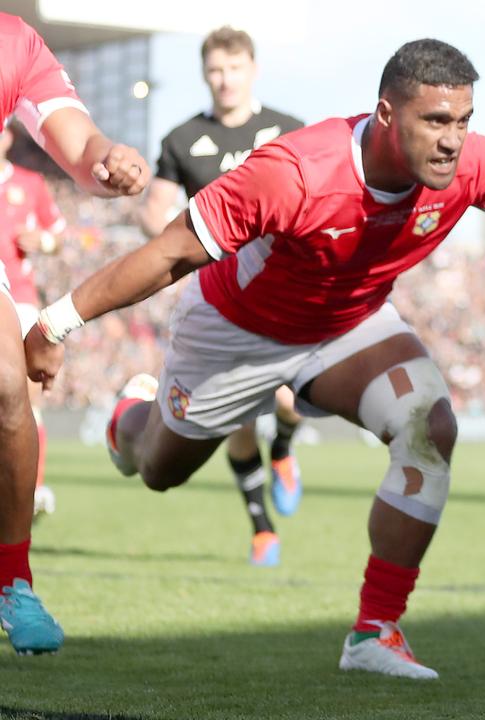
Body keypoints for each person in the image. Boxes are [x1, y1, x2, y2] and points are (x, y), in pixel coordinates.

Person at [25, 37, 485, 679]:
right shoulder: (295, 170)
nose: (452, 140)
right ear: (385, 114)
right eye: (435, 121)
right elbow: (169, 255)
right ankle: (129, 415)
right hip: (234, 331)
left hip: (349, 323)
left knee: (428, 429)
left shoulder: (471, 165)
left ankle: (375, 631)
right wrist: (57, 321)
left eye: (463, 122)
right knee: (157, 469)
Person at [0, 11, 149, 655]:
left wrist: (106, 160)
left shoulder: (14, 42)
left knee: (8, 393)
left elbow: (77, 143)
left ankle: (13, 583)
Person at [138, 26, 307, 567]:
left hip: (283, 293)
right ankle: (262, 529)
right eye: (214, 69)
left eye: (233, 68)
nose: (224, 79)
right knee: (237, 417)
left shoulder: (288, 130)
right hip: (220, 302)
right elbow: (157, 209)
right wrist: (161, 220)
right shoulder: (182, 140)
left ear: (251, 69)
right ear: (204, 73)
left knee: (289, 401)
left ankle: (282, 449)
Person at [0, 122, 65, 522]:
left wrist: (43, 241)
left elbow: (58, 236)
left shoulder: (30, 182)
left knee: (26, 396)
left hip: (19, 297)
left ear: (7, 137)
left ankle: (34, 487)